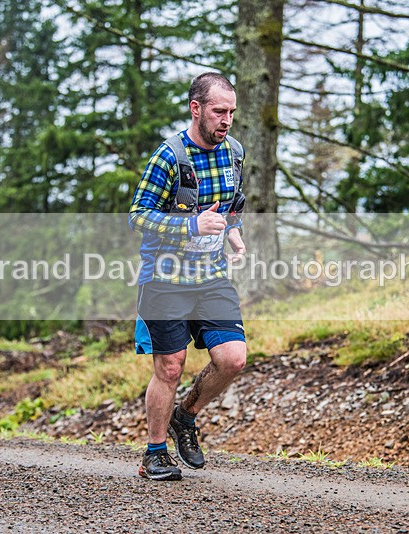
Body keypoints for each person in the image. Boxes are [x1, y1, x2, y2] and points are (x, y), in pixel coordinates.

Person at [127, 72, 247, 481]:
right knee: (171, 367)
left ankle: (186, 415)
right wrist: (192, 226)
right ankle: (155, 454)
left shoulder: (234, 152)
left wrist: (233, 232)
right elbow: (138, 216)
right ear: (196, 109)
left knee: (232, 359)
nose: (226, 120)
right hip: (164, 278)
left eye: (231, 111)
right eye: (218, 111)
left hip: (211, 277)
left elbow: (232, 205)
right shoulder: (169, 156)